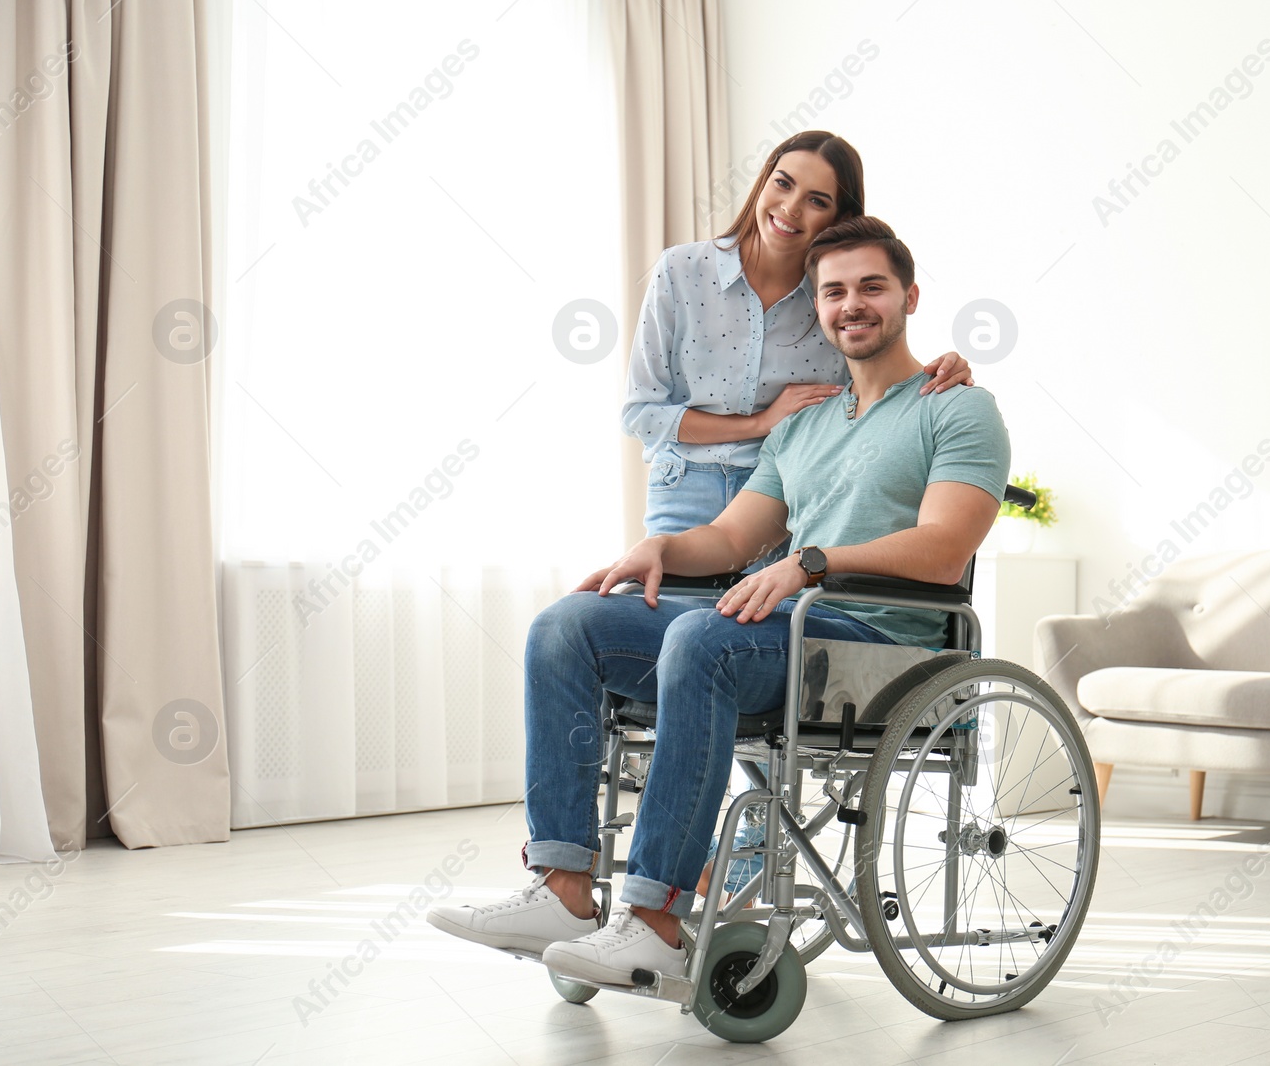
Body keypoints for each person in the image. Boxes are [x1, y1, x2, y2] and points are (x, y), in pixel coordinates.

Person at [428, 217, 1010, 987]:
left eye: (872, 286)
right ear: (819, 305)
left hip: (885, 649)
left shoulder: (957, 408)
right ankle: (564, 888)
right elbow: (735, 538)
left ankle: (656, 922)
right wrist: (661, 550)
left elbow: (943, 549)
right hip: (799, 634)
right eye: (833, 291)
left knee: (705, 639)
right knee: (567, 627)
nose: (852, 304)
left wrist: (811, 562)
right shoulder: (804, 422)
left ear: (909, 295)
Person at [619, 130, 973, 563]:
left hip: (790, 495)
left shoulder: (833, 300)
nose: (790, 207)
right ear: (765, 179)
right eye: (783, 183)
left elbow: (875, 372)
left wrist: (945, 372)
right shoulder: (681, 269)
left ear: (837, 218)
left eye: (817, 200)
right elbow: (643, 414)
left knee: (750, 627)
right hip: (686, 486)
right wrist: (761, 422)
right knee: (662, 620)